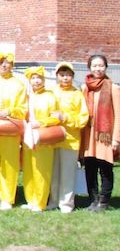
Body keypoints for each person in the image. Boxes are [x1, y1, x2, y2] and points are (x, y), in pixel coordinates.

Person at [0, 52, 27, 211]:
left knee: (10, 163)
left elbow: (23, 109)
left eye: (7, 63)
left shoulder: (19, 85)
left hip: (10, 128)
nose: (4, 65)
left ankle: (8, 197)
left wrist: (10, 111)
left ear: (12, 66)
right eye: (1, 62)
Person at [80, 54, 120, 212]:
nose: (98, 69)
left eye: (101, 66)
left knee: (105, 169)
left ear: (106, 67)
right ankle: (93, 200)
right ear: (89, 67)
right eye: (95, 66)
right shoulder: (85, 88)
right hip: (88, 135)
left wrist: (116, 139)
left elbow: (118, 115)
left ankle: (103, 201)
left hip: (105, 137)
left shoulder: (114, 88)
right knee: (89, 169)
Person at [50, 62, 89, 213]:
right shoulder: (51, 92)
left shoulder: (77, 94)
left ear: (72, 76)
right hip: (52, 138)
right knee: (53, 172)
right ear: (57, 76)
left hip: (70, 140)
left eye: (68, 75)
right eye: (62, 75)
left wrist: (66, 118)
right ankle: (53, 200)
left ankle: (66, 203)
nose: (65, 78)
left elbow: (83, 118)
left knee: (67, 174)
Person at [22, 66, 60, 212]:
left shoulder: (50, 96)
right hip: (28, 137)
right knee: (29, 170)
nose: (36, 81)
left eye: (39, 78)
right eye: (33, 78)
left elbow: (56, 118)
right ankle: (30, 199)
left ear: (44, 80)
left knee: (42, 170)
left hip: (43, 138)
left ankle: (40, 201)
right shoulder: (27, 96)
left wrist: (41, 123)